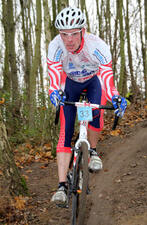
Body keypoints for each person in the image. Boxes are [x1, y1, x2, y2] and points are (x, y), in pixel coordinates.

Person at [47, 6, 127, 205]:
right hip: (70, 83)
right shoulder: (55, 46)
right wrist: (53, 92)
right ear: (59, 34)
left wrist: (115, 96)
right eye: (64, 34)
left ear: (83, 31)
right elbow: (54, 77)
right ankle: (61, 186)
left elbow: (107, 77)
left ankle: (92, 151)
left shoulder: (96, 46)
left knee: (96, 112)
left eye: (74, 33)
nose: (69, 39)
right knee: (65, 131)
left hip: (93, 81)